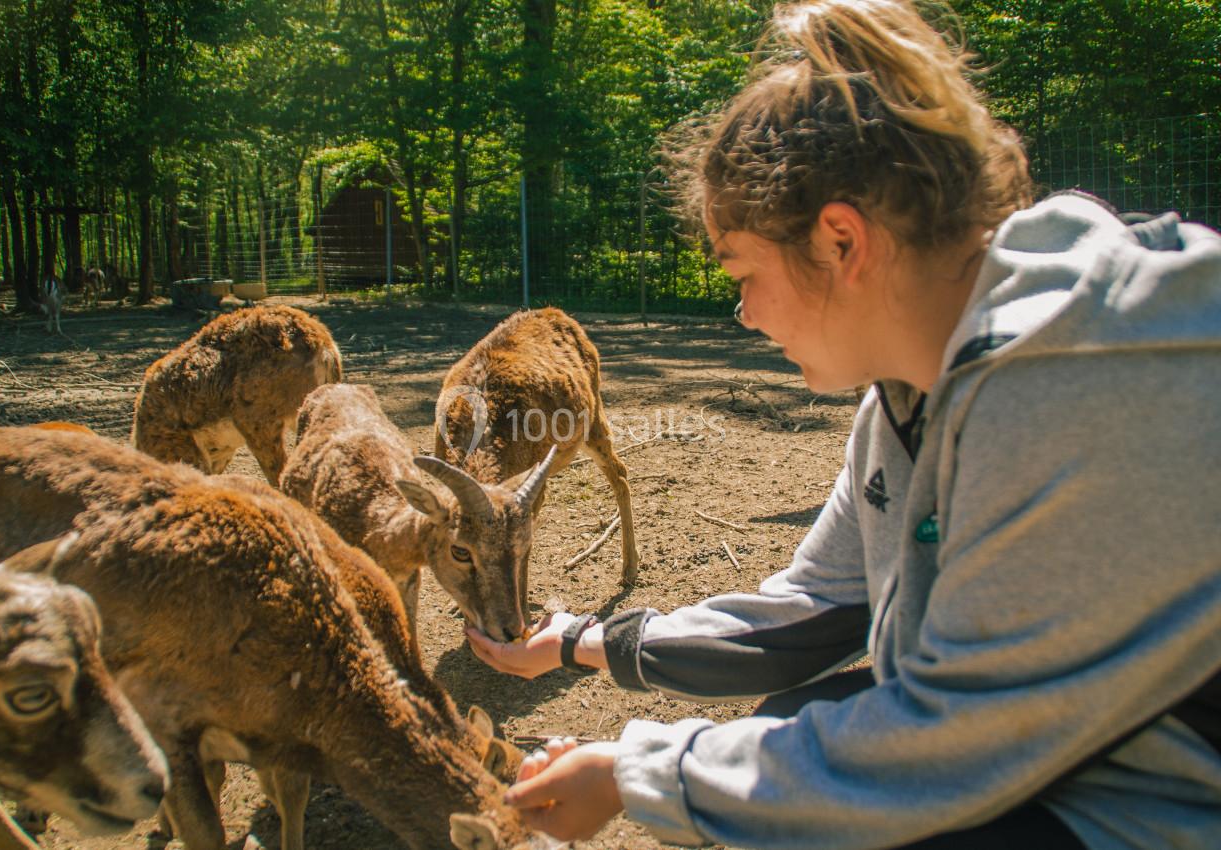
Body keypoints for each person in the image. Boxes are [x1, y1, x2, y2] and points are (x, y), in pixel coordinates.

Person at [464, 1, 1221, 848]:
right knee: (801, 717)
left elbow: (949, 749)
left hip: (1164, 802)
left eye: (744, 272)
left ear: (840, 243)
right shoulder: (902, 403)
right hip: (1070, 755)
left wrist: (638, 775)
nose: (744, 314)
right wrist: (580, 642)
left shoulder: (1063, 389)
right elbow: (813, 610)